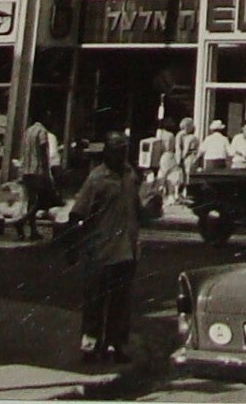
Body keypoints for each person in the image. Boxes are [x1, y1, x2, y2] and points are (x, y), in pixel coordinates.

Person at [67, 131, 140, 366]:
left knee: (120, 304)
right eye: (117, 149)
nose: (121, 154)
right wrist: (72, 246)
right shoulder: (97, 179)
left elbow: (136, 207)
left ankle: (115, 345)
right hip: (100, 250)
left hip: (126, 249)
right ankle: (90, 347)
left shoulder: (130, 175)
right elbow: (77, 213)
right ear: (107, 152)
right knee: (95, 303)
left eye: (124, 149)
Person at [19, 112, 57, 240]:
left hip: (26, 171)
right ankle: (22, 221)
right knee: (42, 200)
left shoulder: (27, 131)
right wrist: (47, 173)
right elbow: (43, 152)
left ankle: (32, 229)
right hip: (37, 171)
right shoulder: (42, 132)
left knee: (31, 201)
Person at [176, 117, 200, 185]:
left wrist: (179, 158)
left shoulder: (180, 135)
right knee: (188, 174)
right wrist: (183, 157)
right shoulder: (191, 137)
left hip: (183, 157)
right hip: (189, 156)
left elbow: (178, 148)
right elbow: (185, 148)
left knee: (183, 175)